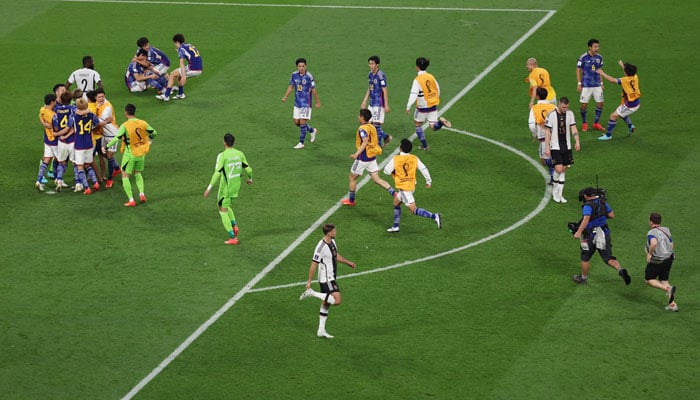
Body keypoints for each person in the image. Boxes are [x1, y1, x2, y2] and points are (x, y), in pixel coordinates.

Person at [299, 224, 356, 339]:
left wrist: (347, 262)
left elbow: (335, 256)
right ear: (328, 233)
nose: (335, 232)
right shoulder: (320, 247)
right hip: (326, 278)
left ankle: (321, 330)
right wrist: (309, 281)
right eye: (334, 231)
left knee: (326, 302)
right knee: (337, 300)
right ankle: (312, 293)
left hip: (331, 276)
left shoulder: (333, 242)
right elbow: (313, 264)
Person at [572, 187, 631, 285]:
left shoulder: (588, 206)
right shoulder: (603, 203)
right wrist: (601, 215)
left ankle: (583, 278)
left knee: (585, 257)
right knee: (608, 257)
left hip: (590, 235)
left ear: (586, 196)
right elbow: (612, 215)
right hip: (604, 233)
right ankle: (620, 269)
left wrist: (578, 231)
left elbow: (586, 219)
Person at [203, 133, 253, 245]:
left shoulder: (223, 156)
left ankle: (233, 237)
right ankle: (234, 225)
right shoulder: (240, 154)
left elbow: (217, 173)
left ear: (224, 142)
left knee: (222, 211)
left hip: (226, 188)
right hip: (236, 187)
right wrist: (250, 179)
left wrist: (209, 188)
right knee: (225, 205)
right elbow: (249, 169)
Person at [383, 138, 442, 232]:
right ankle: (395, 226)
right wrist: (428, 181)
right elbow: (424, 169)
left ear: (400, 148)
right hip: (411, 185)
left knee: (413, 210)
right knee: (396, 202)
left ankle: (435, 216)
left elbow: (386, 171)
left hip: (404, 188)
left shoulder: (396, 159)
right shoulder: (414, 158)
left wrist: (395, 172)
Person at [341, 108, 397, 206]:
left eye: (359, 115)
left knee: (352, 178)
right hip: (371, 157)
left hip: (363, 158)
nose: (358, 117)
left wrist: (356, 154)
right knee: (376, 179)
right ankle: (395, 193)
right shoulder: (372, 126)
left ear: (362, 117)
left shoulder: (362, 129)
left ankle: (351, 201)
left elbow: (365, 141)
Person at [104, 104, 157, 207]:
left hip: (130, 154)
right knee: (138, 173)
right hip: (141, 153)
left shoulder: (125, 125)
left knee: (125, 175)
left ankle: (131, 200)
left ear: (126, 113)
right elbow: (154, 132)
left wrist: (106, 147)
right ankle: (142, 194)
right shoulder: (143, 123)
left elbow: (116, 138)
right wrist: (149, 138)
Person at [405, 57, 451, 151]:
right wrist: (434, 98)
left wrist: (408, 106)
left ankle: (425, 146)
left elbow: (413, 94)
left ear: (417, 67)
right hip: (433, 105)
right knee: (433, 126)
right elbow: (437, 89)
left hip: (422, 107)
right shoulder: (431, 76)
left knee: (418, 124)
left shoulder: (417, 80)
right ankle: (440, 123)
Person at [544, 97, 580, 203]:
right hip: (555, 146)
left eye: (567, 107)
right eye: (563, 107)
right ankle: (555, 192)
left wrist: (577, 141)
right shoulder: (551, 115)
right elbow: (547, 131)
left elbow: (573, 128)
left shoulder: (570, 114)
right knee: (558, 169)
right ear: (559, 104)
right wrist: (547, 147)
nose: (565, 109)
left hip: (567, 146)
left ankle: (560, 194)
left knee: (563, 170)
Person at [596, 60, 641, 140]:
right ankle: (631, 126)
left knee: (613, 116)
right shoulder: (635, 76)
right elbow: (629, 72)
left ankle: (608, 135)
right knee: (621, 114)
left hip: (630, 105)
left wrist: (602, 73)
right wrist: (622, 65)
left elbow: (612, 80)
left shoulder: (624, 80)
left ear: (626, 72)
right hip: (635, 102)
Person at [281, 57, 320, 149]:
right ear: (297, 66)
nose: (301, 68)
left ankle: (301, 143)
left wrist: (317, 102)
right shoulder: (294, 75)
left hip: (306, 103)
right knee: (296, 122)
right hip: (297, 103)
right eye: (300, 66)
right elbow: (291, 86)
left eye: (303, 66)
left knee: (302, 122)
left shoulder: (309, 76)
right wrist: (285, 96)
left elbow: (313, 90)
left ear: (306, 66)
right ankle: (312, 130)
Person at [644, 213, 677, 311]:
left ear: (650, 221)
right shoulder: (666, 230)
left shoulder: (651, 232)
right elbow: (671, 244)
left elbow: (653, 243)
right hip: (669, 258)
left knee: (649, 279)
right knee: (664, 280)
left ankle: (667, 289)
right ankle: (673, 305)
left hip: (658, 260)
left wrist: (649, 254)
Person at [156, 33, 202, 101]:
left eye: (175, 43)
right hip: (199, 68)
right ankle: (180, 94)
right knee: (178, 75)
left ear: (177, 42)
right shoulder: (189, 45)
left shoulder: (181, 49)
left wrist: (183, 76)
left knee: (172, 74)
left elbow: (182, 64)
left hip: (193, 69)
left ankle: (166, 96)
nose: (175, 45)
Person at [361, 55, 392, 147]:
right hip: (372, 102)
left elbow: (384, 90)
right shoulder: (370, 74)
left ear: (377, 65)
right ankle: (386, 137)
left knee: (376, 125)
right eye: (369, 63)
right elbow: (370, 88)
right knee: (370, 123)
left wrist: (386, 104)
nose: (371, 65)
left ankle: (378, 146)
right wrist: (364, 100)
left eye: (372, 64)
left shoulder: (381, 75)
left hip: (379, 103)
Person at [71, 98, 101, 194]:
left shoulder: (74, 116)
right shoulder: (92, 115)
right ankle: (95, 182)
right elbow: (97, 123)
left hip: (79, 144)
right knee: (88, 164)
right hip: (89, 143)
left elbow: (69, 124)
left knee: (80, 167)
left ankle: (87, 188)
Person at [528, 87, 557, 184]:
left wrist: (534, 134)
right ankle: (555, 172)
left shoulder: (535, 108)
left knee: (544, 161)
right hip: (555, 136)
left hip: (543, 137)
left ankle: (553, 177)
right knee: (552, 156)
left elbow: (532, 125)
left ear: (537, 96)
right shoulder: (554, 107)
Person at [576, 39, 605, 132]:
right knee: (584, 105)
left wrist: (601, 83)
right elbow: (578, 70)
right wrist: (579, 83)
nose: (597, 48)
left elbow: (600, 70)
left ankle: (596, 123)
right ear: (590, 47)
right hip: (586, 85)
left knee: (600, 103)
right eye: (595, 47)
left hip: (597, 84)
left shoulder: (599, 57)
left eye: (598, 46)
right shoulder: (583, 57)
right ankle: (585, 123)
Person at [95, 89, 121, 188]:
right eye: (99, 97)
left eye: (103, 96)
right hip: (103, 134)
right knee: (101, 152)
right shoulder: (96, 104)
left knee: (109, 156)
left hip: (112, 134)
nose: (101, 99)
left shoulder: (107, 107)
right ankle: (117, 168)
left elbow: (100, 122)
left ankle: (110, 179)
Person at [35, 94, 58, 191]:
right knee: (60, 160)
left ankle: (39, 180)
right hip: (55, 139)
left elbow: (40, 116)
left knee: (46, 160)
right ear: (52, 102)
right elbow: (56, 129)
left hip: (47, 139)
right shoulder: (53, 116)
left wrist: (44, 124)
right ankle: (59, 179)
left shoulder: (42, 109)